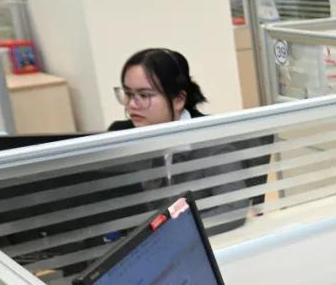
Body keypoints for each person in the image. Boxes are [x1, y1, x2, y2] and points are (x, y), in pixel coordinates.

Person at [109, 48, 260, 231]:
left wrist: (169, 232)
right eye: (128, 94)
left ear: (178, 100)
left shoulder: (213, 144)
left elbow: (232, 210)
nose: (132, 105)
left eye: (144, 95)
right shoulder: (130, 139)